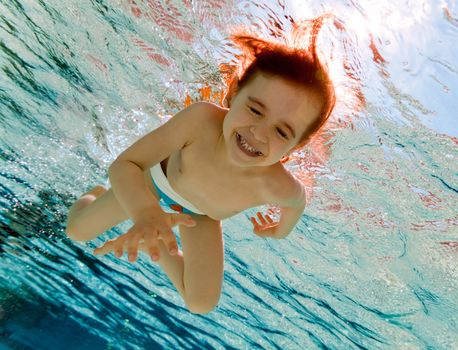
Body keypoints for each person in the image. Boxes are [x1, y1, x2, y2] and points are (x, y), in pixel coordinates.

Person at [65, 18, 336, 314]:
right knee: (77, 231)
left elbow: (297, 202)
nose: (259, 133)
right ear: (233, 93)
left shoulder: (278, 185)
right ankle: (95, 195)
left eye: (282, 132)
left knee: (200, 303)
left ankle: (155, 240)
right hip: (152, 186)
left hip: (200, 217)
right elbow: (125, 165)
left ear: (295, 146)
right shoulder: (202, 121)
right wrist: (145, 212)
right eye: (255, 109)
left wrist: (280, 231)